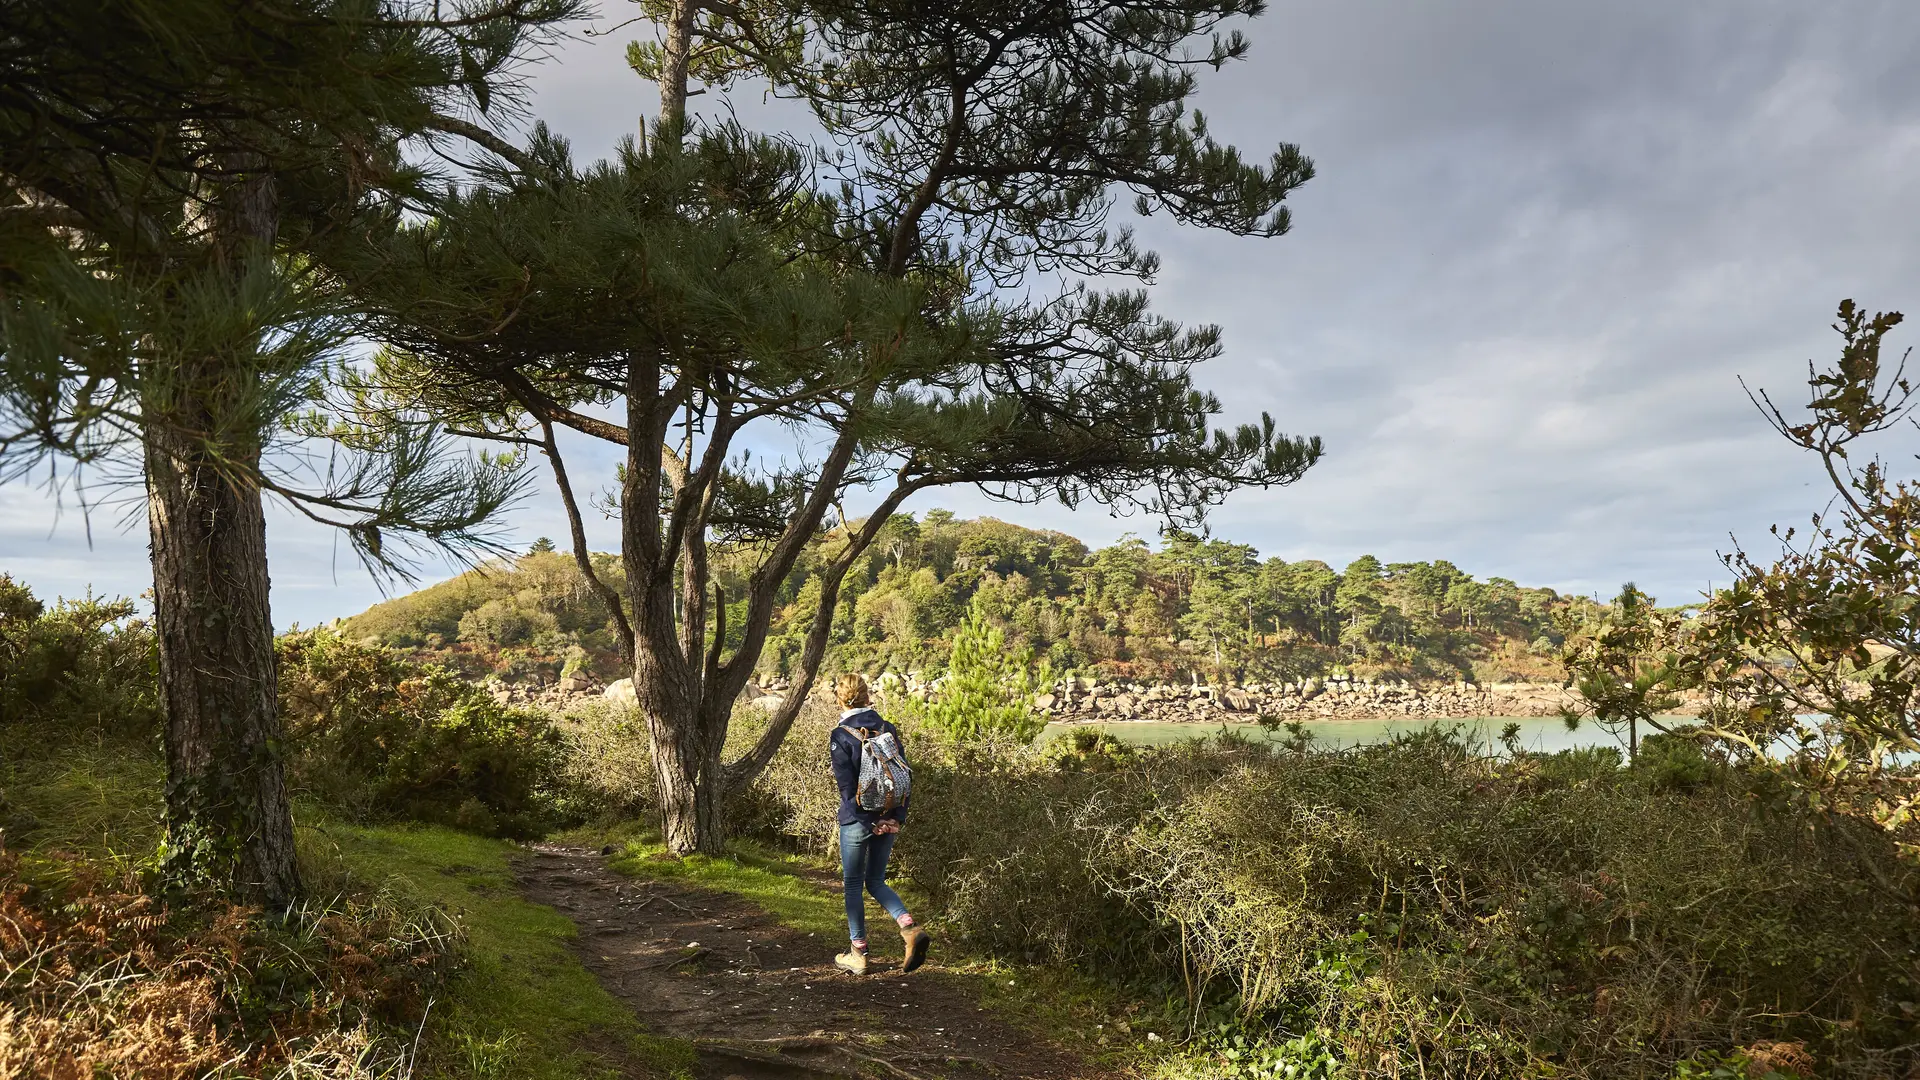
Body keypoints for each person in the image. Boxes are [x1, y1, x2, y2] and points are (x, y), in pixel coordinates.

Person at [830, 672, 930, 976]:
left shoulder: (841, 734)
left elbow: (847, 790)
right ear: (867, 696)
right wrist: (894, 818)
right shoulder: (887, 728)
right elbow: (903, 776)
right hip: (889, 816)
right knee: (876, 881)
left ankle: (858, 953)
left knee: (852, 885)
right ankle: (909, 927)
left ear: (840, 698)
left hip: (859, 821)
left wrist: (868, 822)